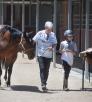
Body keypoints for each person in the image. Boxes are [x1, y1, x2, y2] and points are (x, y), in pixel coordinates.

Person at [33, 21, 57, 92]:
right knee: (42, 68)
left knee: (46, 70)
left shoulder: (53, 34)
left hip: (49, 56)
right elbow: (34, 41)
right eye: (49, 29)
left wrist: (52, 47)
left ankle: (44, 83)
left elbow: (55, 43)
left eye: (51, 29)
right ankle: (43, 84)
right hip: (41, 54)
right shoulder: (40, 33)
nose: (50, 31)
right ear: (45, 28)